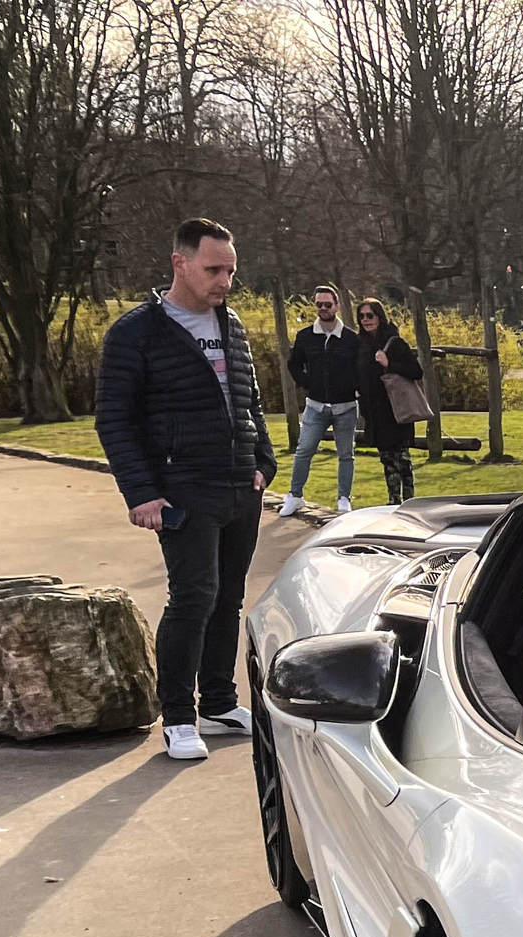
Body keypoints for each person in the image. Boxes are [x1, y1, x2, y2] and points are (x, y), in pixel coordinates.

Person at [93, 215, 275, 763]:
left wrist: (262, 459)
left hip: (238, 485)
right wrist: (141, 492)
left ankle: (219, 701)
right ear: (180, 263)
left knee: (228, 598)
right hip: (182, 487)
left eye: (231, 270)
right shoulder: (136, 333)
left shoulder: (231, 324)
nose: (224, 281)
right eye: (213, 269)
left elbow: (249, 399)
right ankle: (178, 717)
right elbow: (114, 420)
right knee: (193, 598)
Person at [280, 284, 361, 517]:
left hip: (345, 407)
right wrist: (307, 383)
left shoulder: (350, 338)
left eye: (327, 304)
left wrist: (355, 388)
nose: (323, 308)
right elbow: (294, 364)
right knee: (304, 450)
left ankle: (344, 497)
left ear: (336, 305)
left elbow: (359, 368)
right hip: (315, 406)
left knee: (346, 454)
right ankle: (295, 495)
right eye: (319, 304)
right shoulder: (305, 336)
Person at [355, 298, 425, 505]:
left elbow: (416, 371)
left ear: (379, 316)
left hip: (395, 408)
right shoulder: (363, 345)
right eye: (362, 316)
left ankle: (409, 499)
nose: (366, 320)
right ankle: (394, 499)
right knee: (386, 457)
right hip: (374, 410)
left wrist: (389, 363)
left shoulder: (394, 343)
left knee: (401, 457)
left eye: (370, 315)